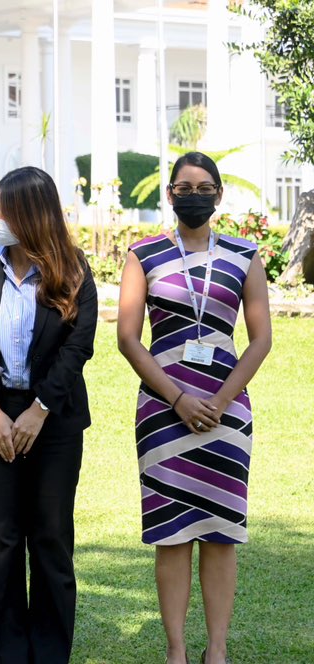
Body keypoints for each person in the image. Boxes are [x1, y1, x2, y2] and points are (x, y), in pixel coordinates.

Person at [117, 152, 272, 664]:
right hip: (163, 413)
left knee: (222, 533)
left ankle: (218, 650)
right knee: (173, 532)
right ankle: (177, 651)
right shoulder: (144, 255)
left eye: (204, 186)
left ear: (219, 195)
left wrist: (222, 401)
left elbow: (260, 340)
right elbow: (127, 339)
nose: (193, 195)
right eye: (183, 187)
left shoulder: (246, 256)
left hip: (228, 414)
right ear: (169, 195)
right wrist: (180, 399)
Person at [0, 166, 96, 663]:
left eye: (3, 208)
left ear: (31, 216)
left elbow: (78, 348)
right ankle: (9, 655)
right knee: (0, 543)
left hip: (52, 420)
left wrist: (39, 410)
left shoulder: (73, 267)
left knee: (52, 539)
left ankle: (51, 655)